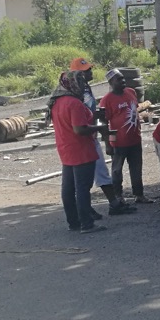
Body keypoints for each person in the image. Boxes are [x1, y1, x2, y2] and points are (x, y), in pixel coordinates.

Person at [49, 57, 135, 217]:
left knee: (76, 184)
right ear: (76, 76)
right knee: (87, 182)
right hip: (83, 142)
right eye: (85, 71)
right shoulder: (75, 97)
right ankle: (93, 213)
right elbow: (79, 124)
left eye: (89, 69)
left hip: (74, 143)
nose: (89, 73)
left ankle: (82, 216)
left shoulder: (68, 95)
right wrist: (100, 127)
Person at [49, 70, 106, 233]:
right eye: (81, 82)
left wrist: (92, 117)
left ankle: (73, 222)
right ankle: (87, 223)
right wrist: (100, 127)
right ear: (73, 84)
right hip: (81, 149)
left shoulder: (56, 102)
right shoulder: (74, 103)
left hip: (65, 150)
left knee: (68, 189)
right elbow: (79, 129)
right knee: (82, 188)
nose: (83, 86)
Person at [99, 68, 152, 205]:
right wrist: (107, 144)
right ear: (111, 82)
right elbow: (104, 123)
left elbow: (136, 108)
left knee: (136, 168)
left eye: (123, 78)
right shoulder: (106, 100)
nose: (123, 81)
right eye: (119, 79)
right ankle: (118, 196)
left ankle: (139, 195)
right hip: (118, 142)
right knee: (117, 170)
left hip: (135, 139)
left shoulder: (131, 92)